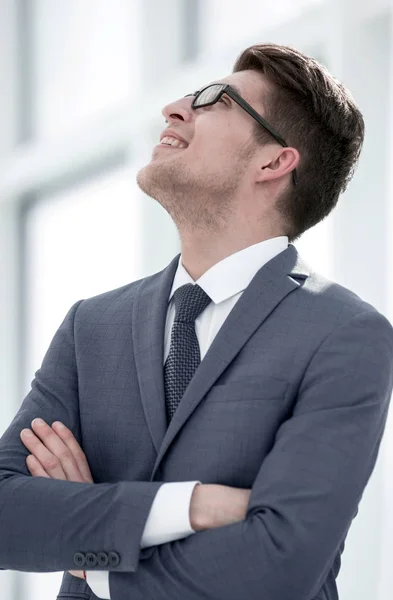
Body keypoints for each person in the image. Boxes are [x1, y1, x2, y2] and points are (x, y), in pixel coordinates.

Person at [1, 42, 393, 600]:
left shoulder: (344, 335)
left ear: (274, 161)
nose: (176, 108)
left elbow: (280, 566)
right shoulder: (92, 327)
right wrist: (190, 506)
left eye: (216, 100)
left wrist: (95, 559)